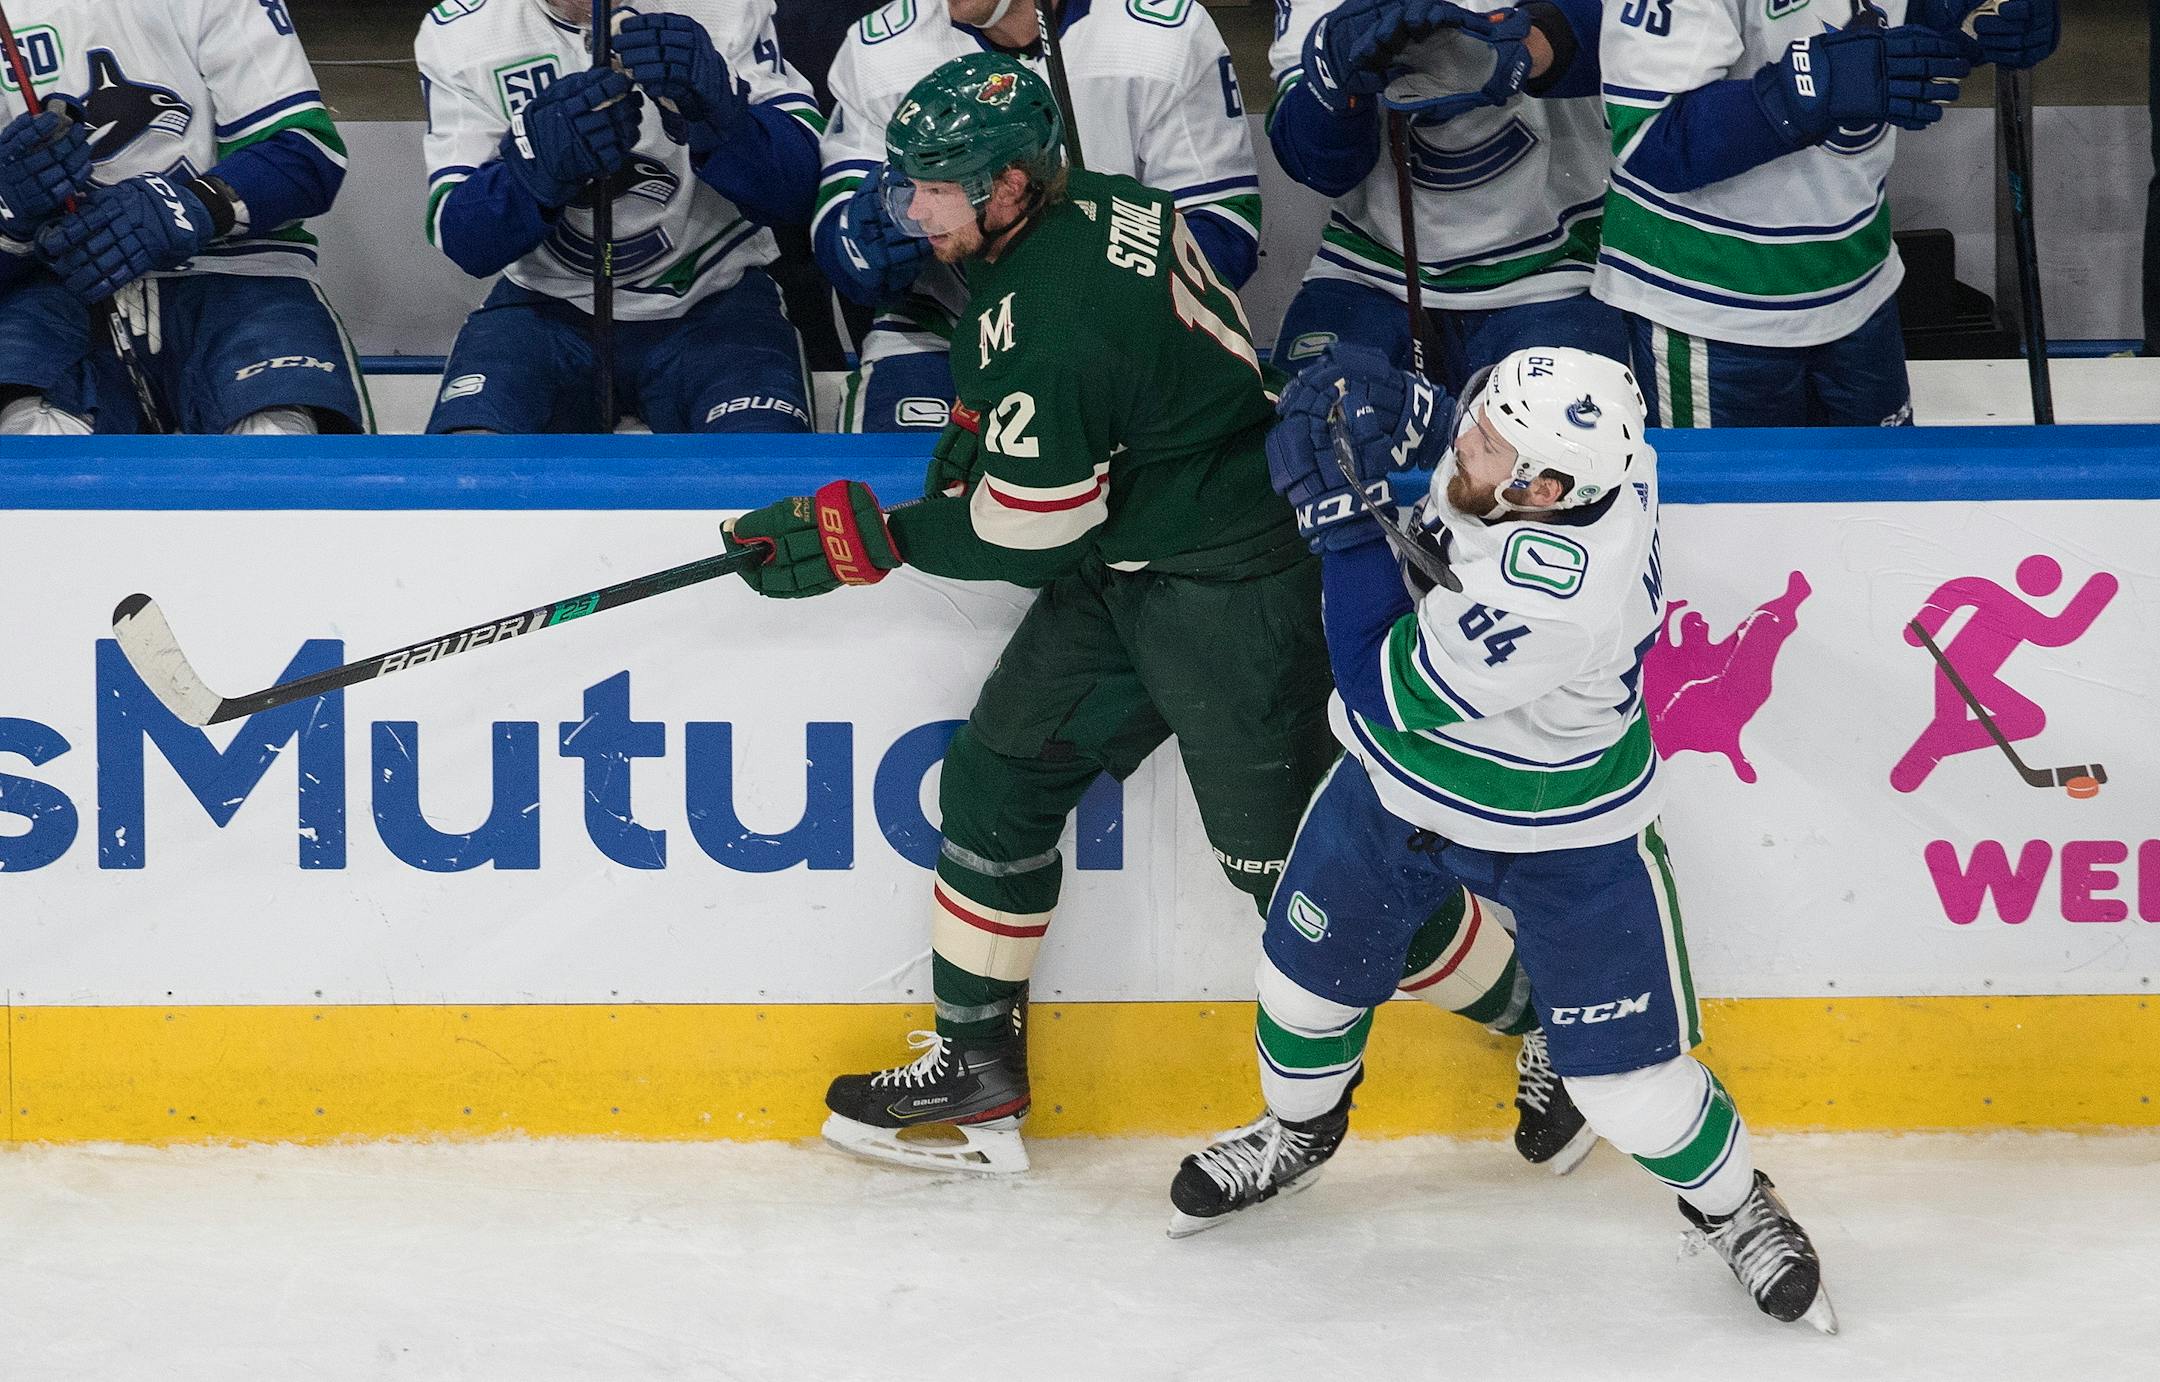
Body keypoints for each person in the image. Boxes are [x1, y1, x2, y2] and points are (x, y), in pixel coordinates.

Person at [718, 53, 1574, 1176]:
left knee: (1305, 878)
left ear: (1011, 186)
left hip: (1234, 589)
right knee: (997, 779)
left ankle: (1559, 1024)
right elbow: (1084, 411)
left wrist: (872, 538)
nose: (910, 210)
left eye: (935, 188)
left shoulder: (1052, 320)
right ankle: (978, 1065)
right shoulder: (1103, 201)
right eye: (908, 182)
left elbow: (1032, 528)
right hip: (1136, 551)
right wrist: (977, 432)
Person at [1167, 345, 1837, 1333]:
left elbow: (1380, 686)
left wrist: (1340, 524)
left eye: (1486, 442)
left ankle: (1734, 1205)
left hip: (1565, 827)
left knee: (1630, 1090)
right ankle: (1297, 1134)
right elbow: (1510, 442)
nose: (1466, 444)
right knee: (1301, 989)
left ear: (1544, 491)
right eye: (1483, 424)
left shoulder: (1560, 592)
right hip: (1397, 792)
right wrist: (1433, 410)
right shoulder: (1593, 457)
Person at [1595, 0, 2057, 427]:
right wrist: (1807, 88)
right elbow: (1649, 139)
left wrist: (1962, 23)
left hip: (1860, 284)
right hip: (1708, 307)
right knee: (1732, 494)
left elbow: (1887, 31)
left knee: (1884, 488)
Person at [812, 0, 1262, 432]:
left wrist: (1112, 310)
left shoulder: (1162, 34)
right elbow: (842, 242)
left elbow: (1221, 226)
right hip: (942, 328)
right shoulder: (881, 48)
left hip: (1124, 337)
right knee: (907, 480)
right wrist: (870, 241)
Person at [415, 0, 821, 434]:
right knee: (471, 461)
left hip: (717, 300)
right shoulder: (462, 31)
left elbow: (797, 191)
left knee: (761, 462)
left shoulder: (726, 7)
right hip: (541, 310)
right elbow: (465, 240)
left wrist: (722, 113)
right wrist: (533, 170)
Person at [0, 0, 368, 436]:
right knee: (31, 447)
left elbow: (306, 155)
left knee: (276, 447)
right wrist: (9, 210)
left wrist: (195, 206)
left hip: (239, 274)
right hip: (56, 290)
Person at [1267, 0, 1623, 395]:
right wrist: (1332, 81)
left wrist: (1531, 45)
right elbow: (1316, 166)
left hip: (1554, 271)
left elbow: (1636, 46)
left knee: (1565, 431)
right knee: (1313, 420)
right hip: (1369, 268)